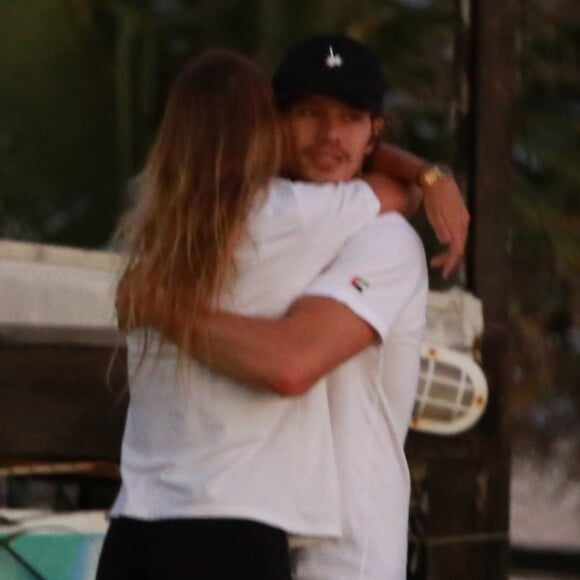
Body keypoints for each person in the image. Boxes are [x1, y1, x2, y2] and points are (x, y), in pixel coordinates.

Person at [126, 35, 468, 579]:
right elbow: (380, 188)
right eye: (309, 114)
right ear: (273, 124)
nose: (330, 134)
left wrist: (158, 305)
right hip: (254, 529)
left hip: (344, 550)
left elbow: (291, 364)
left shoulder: (382, 241)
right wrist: (425, 175)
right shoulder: (259, 222)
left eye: (352, 118)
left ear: (375, 131)